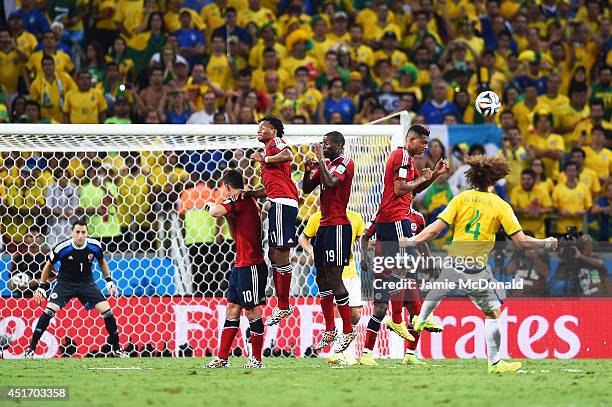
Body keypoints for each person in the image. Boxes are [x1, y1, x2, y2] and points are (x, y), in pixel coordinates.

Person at [404, 155, 558, 373]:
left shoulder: (461, 198)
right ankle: (495, 363)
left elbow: (435, 229)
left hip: (454, 261)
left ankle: (422, 319)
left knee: (440, 287)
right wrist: (547, 243)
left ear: (473, 178)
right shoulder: (500, 205)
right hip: (475, 268)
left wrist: (410, 241)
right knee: (493, 313)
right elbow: (522, 242)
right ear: (494, 179)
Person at [361, 124, 448, 366]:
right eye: (423, 142)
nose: (425, 147)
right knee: (402, 270)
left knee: (408, 278)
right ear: (411, 139)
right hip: (393, 220)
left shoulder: (407, 161)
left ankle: (409, 348)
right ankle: (395, 322)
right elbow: (400, 189)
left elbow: (410, 191)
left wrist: (433, 176)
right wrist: (422, 176)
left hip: (391, 221)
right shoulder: (400, 155)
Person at [25, 219, 127, 358]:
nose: (80, 235)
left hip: (86, 283)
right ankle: (31, 349)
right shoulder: (63, 248)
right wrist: (42, 287)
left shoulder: (94, 246)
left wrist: (109, 280)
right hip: (65, 283)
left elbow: (102, 261)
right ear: (72, 233)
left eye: (83, 232)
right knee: (49, 311)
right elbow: (48, 265)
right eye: (77, 232)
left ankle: (116, 349)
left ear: (87, 233)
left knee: (107, 311)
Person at [204, 170, 266, 369]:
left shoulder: (242, 200)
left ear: (228, 187)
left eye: (224, 188)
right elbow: (233, 231)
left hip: (252, 265)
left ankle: (256, 359)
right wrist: (228, 216)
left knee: (251, 310)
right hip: (240, 264)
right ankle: (222, 358)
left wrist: (212, 205)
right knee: (232, 309)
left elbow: (215, 212)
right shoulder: (240, 203)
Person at [302, 131, 357, 354]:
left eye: (326, 144)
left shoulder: (345, 162)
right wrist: (308, 171)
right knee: (322, 279)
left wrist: (319, 160)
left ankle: (348, 330)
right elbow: (307, 188)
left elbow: (331, 182)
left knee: (335, 280)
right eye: (322, 144)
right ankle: (330, 329)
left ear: (339, 145)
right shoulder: (326, 163)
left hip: (338, 226)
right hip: (324, 226)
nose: (323, 147)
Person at [245, 115, 299, 326]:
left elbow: (289, 155)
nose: (259, 131)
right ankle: (282, 304)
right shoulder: (268, 152)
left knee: (280, 252)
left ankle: (284, 305)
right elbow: (269, 189)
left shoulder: (275, 144)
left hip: (283, 203)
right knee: (273, 253)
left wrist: (264, 159)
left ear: (273, 132)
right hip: (277, 200)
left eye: (263, 128)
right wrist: (250, 193)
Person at [299, 208, 365, 365]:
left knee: (356, 313)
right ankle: (340, 352)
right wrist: (312, 252)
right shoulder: (317, 217)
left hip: (350, 270)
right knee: (337, 309)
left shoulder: (355, 217)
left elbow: (362, 240)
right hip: (332, 271)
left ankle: (342, 347)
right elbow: (303, 238)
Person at [504, 231, 550, 297]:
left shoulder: (541, 254)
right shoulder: (518, 253)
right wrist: (516, 254)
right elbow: (508, 272)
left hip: (534, 291)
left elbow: (546, 273)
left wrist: (534, 257)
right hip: (517, 290)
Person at [510, 169, 553, 239]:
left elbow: (550, 209)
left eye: (528, 179)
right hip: (521, 232)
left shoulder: (541, 191)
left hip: (539, 233)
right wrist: (528, 210)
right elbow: (512, 208)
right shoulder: (515, 191)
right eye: (523, 179)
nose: (525, 182)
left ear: (534, 180)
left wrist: (539, 210)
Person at [552, 162, 592, 234]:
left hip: (579, 227)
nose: (571, 173)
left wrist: (584, 211)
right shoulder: (557, 188)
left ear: (577, 172)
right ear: (565, 172)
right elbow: (554, 206)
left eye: (573, 170)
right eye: (568, 170)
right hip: (562, 227)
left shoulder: (584, 188)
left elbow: (589, 206)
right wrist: (560, 211)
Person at [8, 229, 49, 298]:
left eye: (37, 237)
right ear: (25, 239)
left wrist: (37, 281)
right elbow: (11, 281)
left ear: (40, 239)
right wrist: (17, 285)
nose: (34, 239)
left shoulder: (46, 257)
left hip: (42, 296)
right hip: (23, 297)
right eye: (31, 237)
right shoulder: (18, 257)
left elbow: (54, 278)